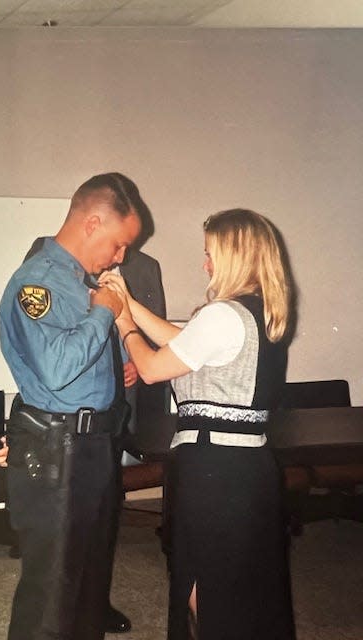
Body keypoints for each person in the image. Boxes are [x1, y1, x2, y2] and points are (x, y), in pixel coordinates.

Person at [99, 208, 296, 640]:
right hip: (246, 468)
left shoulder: (223, 314)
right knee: (237, 583)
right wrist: (130, 302)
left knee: (204, 585)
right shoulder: (256, 312)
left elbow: (151, 368)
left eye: (210, 254)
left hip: (214, 470)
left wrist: (122, 321)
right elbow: (183, 341)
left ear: (234, 256)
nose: (205, 263)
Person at [0, 238, 166, 633]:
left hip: (104, 426)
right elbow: (44, 358)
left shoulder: (143, 267)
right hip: (60, 434)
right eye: (117, 241)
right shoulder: (41, 268)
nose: (121, 255)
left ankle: (94, 605)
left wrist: (129, 363)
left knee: (93, 545)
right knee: (53, 581)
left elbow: (132, 338)